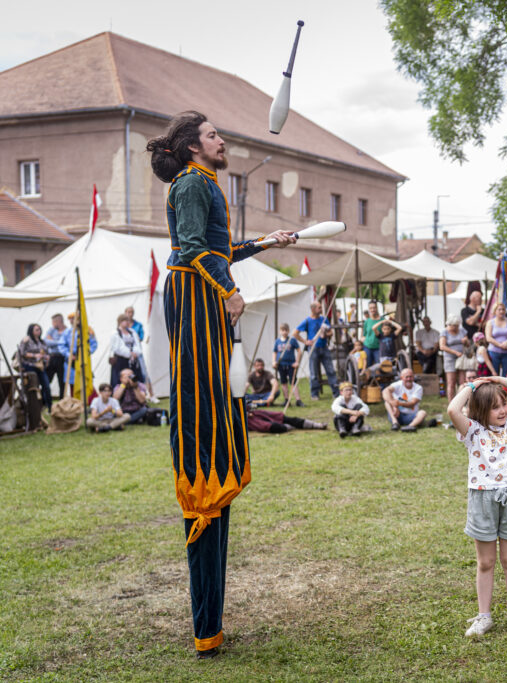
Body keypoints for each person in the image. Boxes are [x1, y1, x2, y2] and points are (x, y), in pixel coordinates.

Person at [146, 110, 297, 657]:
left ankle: (210, 625)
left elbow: (213, 247)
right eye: (212, 135)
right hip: (194, 299)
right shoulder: (191, 183)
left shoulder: (204, 183)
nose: (221, 139)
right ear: (191, 148)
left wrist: (261, 242)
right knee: (204, 402)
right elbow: (189, 250)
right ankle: (204, 623)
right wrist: (227, 290)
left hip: (203, 294)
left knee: (223, 398)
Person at [448, 375, 507, 641]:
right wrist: (473, 387)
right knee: (485, 562)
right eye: (495, 406)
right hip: (482, 498)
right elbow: (453, 409)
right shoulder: (472, 430)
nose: (503, 410)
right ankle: (484, 616)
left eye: (505, 404)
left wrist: (496, 380)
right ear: (481, 410)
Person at [296, 302, 339, 401]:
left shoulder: (323, 319)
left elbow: (330, 332)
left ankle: (336, 393)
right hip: (313, 348)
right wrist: (305, 341)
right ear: (313, 309)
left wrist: (326, 334)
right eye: (319, 307)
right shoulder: (307, 321)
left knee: (331, 371)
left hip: (324, 347)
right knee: (314, 373)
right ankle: (314, 394)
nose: (321, 309)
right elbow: (295, 333)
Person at [383, 368, 428, 432]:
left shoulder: (418, 388)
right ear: (401, 378)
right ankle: (395, 423)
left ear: (413, 377)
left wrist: (398, 403)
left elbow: (412, 403)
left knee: (423, 413)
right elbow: (385, 391)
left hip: (411, 416)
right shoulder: (398, 384)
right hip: (397, 415)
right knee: (387, 402)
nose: (409, 379)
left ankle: (410, 426)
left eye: (411, 377)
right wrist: (393, 404)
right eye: (406, 377)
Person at [18, 323, 51, 410]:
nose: (39, 331)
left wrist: (45, 357)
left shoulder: (42, 342)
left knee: (46, 385)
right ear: (31, 331)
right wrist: (34, 355)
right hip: (30, 366)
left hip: (40, 366)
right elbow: (22, 353)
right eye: (36, 329)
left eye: (39, 329)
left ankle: (49, 406)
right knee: (33, 386)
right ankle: (31, 406)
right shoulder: (26, 340)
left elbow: (46, 353)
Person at [273, 323, 303, 407]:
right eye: (282, 330)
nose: (284, 332)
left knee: (293, 382)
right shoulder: (277, 341)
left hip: (291, 365)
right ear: (280, 331)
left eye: (286, 330)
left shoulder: (292, 340)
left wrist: (297, 362)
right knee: (283, 382)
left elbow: (299, 351)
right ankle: (286, 400)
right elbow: (274, 352)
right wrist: (274, 361)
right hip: (281, 365)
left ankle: (298, 400)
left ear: (288, 331)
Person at [440, 315, 469, 400]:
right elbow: (442, 346)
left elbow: (467, 344)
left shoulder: (462, 330)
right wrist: (455, 352)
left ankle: (462, 402)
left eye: (457, 325)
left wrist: (465, 341)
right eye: (454, 325)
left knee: (462, 382)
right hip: (449, 358)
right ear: (449, 324)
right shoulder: (444, 332)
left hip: (461, 358)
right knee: (451, 383)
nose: (455, 327)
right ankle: (451, 403)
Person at [110, 313, 143, 387]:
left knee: (134, 377)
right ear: (120, 322)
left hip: (132, 360)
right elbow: (117, 348)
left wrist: (135, 352)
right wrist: (129, 353)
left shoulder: (132, 332)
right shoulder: (115, 333)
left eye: (128, 320)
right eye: (125, 320)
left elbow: (137, 344)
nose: (127, 322)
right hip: (121, 361)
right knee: (121, 379)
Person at [485, 303, 507, 377]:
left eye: (503, 309)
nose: (501, 311)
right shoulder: (490, 322)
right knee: (494, 375)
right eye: (499, 309)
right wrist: (501, 345)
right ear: (495, 311)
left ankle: (505, 388)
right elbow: (488, 338)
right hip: (494, 352)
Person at [44, 313, 70, 400]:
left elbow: (67, 344)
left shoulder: (68, 331)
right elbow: (45, 341)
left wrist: (53, 341)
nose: (52, 324)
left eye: (53, 322)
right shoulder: (52, 330)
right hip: (52, 357)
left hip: (62, 359)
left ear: (58, 322)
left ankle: (62, 400)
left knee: (62, 381)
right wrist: (59, 342)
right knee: (47, 379)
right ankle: (44, 400)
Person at [361, 301, 384, 366]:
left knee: (379, 366)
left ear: (377, 308)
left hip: (378, 347)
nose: (372, 310)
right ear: (369, 309)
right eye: (371, 308)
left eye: (374, 308)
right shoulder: (367, 321)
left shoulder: (382, 320)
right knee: (367, 366)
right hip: (367, 347)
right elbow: (364, 335)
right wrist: (362, 340)